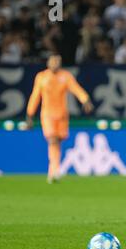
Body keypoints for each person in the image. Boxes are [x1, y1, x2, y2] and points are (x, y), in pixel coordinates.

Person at [26, 54, 93, 183]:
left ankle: (54, 169)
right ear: (48, 63)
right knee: (53, 140)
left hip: (62, 115)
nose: (56, 64)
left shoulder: (65, 76)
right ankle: (53, 171)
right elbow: (35, 96)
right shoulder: (41, 77)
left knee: (58, 141)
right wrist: (30, 114)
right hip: (47, 114)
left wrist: (85, 100)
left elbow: (75, 88)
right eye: (53, 61)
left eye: (58, 62)